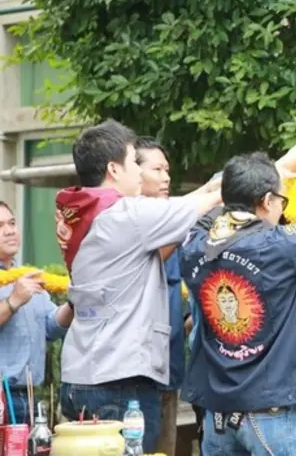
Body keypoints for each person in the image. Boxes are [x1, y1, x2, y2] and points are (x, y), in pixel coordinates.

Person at [180, 133, 296, 455]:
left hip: (219, 417)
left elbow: (221, 206)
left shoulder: (193, 244)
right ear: (266, 201)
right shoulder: (279, 245)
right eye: (280, 199)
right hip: (275, 415)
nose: (281, 208)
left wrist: (261, 175)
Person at [56, 119, 222, 452]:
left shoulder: (82, 212)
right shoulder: (126, 214)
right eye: (135, 162)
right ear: (114, 169)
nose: (141, 172)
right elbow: (194, 208)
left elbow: (183, 205)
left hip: (82, 375)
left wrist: (210, 188)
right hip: (120, 383)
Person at [136, 136, 219, 455]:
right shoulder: (132, 225)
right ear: (131, 171)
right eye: (157, 169)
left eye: (167, 169)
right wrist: (214, 193)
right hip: (137, 370)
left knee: (165, 447)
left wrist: (187, 318)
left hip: (168, 364)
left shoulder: (174, 221)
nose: (166, 176)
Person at [0, 202, 73, 424]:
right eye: (0, 225)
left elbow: (51, 326)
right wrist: (13, 301)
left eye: (12, 223)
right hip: (2, 397)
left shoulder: (27, 276)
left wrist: (74, 304)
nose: (10, 230)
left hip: (30, 396)